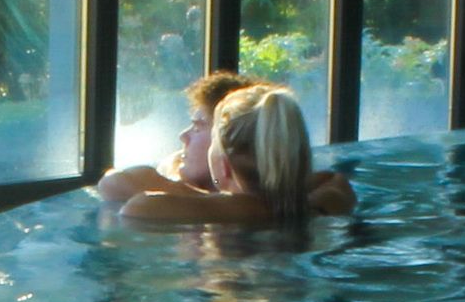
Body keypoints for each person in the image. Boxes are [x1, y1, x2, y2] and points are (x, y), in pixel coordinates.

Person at [96, 82, 354, 224]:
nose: (183, 136)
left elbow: (135, 204)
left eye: (199, 127)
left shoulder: (197, 214)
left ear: (225, 166)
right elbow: (334, 181)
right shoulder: (327, 199)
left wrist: (197, 195)